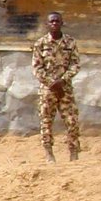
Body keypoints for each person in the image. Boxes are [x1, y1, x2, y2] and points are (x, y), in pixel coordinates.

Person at [30, 10, 82, 162]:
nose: (54, 23)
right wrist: (51, 83)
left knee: (72, 121)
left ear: (62, 23)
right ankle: (49, 153)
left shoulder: (70, 42)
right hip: (47, 91)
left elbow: (75, 64)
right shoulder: (40, 44)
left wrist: (63, 80)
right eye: (51, 21)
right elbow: (36, 68)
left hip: (66, 90)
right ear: (47, 24)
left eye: (57, 21)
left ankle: (74, 153)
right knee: (46, 121)